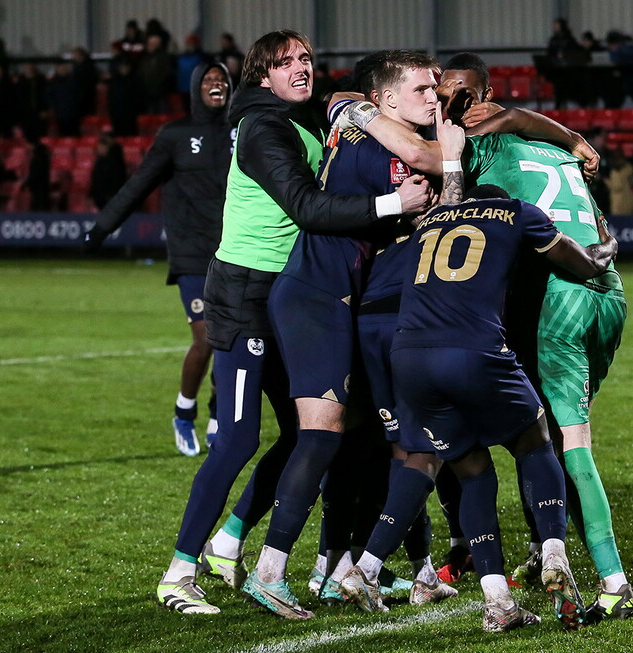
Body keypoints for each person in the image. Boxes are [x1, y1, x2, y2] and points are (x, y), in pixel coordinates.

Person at [153, 29, 432, 616]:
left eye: (306, 58)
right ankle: (179, 572)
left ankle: (229, 543)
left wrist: (349, 104)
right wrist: (392, 203)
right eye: (284, 63)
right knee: (235, 440)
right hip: (243, 296)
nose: (300, 68)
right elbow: (305, 208)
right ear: (262, 77)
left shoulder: (303, 123)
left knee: (314, 433)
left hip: (285, 295)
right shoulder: (263, 129)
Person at [388, 117, 617, 632]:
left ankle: (497, 602)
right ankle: (553, 549)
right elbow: (585, 265)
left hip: (410, 357)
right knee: (536, 441)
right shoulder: (517, 212)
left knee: (470, 471)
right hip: (476, 352)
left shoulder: (431, 219)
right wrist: (609, 248)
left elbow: (449, 196)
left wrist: (448, 160)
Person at [237, 45, 436, 621]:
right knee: (320, 435)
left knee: (356, 436)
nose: (433, 99)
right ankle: (269, 571)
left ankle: (337, 567)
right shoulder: (372, 134)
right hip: (314, 293)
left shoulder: (361, 125)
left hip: (337, 296)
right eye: (422, 90)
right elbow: (420, 159)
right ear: (386, 99)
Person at [83, 63, 234, 456]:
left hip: (236, 253)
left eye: (221, 80)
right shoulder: (175, 134)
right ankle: (184, 412)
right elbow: (138, 185)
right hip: (191, 255)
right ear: (194, 88)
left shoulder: (243, 131)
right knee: (206, 339)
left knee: (232, 342)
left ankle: (219, 418)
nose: (215, 85)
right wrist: (101, 229)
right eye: (208, 80)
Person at [88, 134, 127, 210]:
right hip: (102, 198)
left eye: (100, 147)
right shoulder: (101, 161)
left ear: (106, 147)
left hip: (110, 197)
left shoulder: (114, 162)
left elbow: (115, 179)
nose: (98, 149)